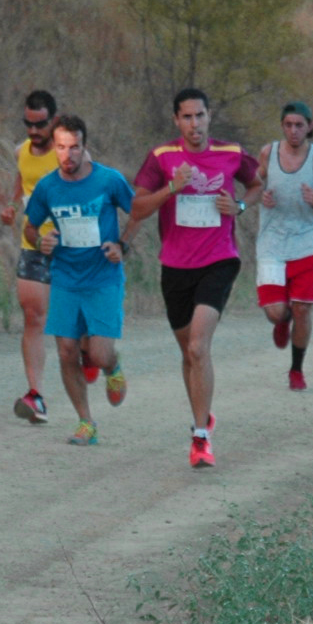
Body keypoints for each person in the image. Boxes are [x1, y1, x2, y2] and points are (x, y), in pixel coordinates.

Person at [129, 87, 261, 468]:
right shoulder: (162, 158)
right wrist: (171, 188)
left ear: (209, 117)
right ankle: (203, 415)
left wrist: (237, 206)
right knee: (188, 352)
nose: (194, 124)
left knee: (199, 347)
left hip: (219, 260)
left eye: (199, 115)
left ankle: (200, 436)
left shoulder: (231, 154)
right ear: (176, 121)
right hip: (175, 266)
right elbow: (137, 208)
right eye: (186, 117)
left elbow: (256, 185)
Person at [22, 114, 133, 444]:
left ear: (85, 147)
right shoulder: (47, 187)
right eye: (61, 147)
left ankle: (112, 367)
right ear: (53, 148)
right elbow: (30, 226)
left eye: (74, 147)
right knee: (67, 351)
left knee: (98, 354)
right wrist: (40, 241)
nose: (67, 155)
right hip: (65, 278)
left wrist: (122, 246)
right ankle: (86, 422)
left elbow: (137, 211)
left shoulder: (108, 180)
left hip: (103, 278)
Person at [255, 101, 313, 392]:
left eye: (299, 125)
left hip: (306, 242)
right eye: (288, 125)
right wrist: (260, 196)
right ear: (282, 126)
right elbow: (252, 186)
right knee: (277, 312)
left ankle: (296, 369)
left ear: (309, 127)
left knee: (302, 309)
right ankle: (281, 321)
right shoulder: (267, 153)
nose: (293, 131)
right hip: (272, 242)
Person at [0, 90, 60, 424]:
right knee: (34, 317)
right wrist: (11, 207)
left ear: (54, 120)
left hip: (70, 248)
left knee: (79, 332)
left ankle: (97, 358)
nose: (33, 131)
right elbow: (22, 183)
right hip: (33, 244)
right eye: (28, 124)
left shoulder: (70, 153)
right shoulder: (21, 151)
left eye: (40, 125)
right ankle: (36, 396)